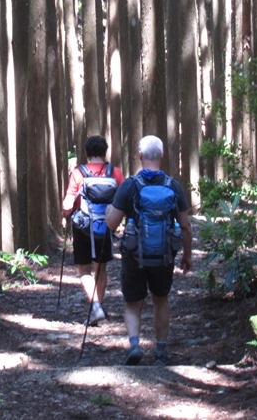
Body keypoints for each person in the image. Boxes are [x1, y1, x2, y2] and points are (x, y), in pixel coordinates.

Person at [105, 135, 192, 366]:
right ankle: (161, 351)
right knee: (160, 299)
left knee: (133, 303)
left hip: (134, 255)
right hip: (164, 255)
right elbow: (185, 226)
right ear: (162, 155)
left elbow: (112, 223)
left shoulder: (130, 185)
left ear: (140, 155)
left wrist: (107, 212)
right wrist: (187, 255)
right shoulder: (173, 186)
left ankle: (134, 345)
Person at [62, 135, 125, 325]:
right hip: (105, 226)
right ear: (105, 152)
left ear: (87, 153)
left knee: (84, 271)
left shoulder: (78, 173)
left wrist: (65, 216)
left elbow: (68, 202)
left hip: (83, 227)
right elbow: (122, 200)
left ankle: (96, 307)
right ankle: (98, 307)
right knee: (101, 268)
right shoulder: (115, 172)